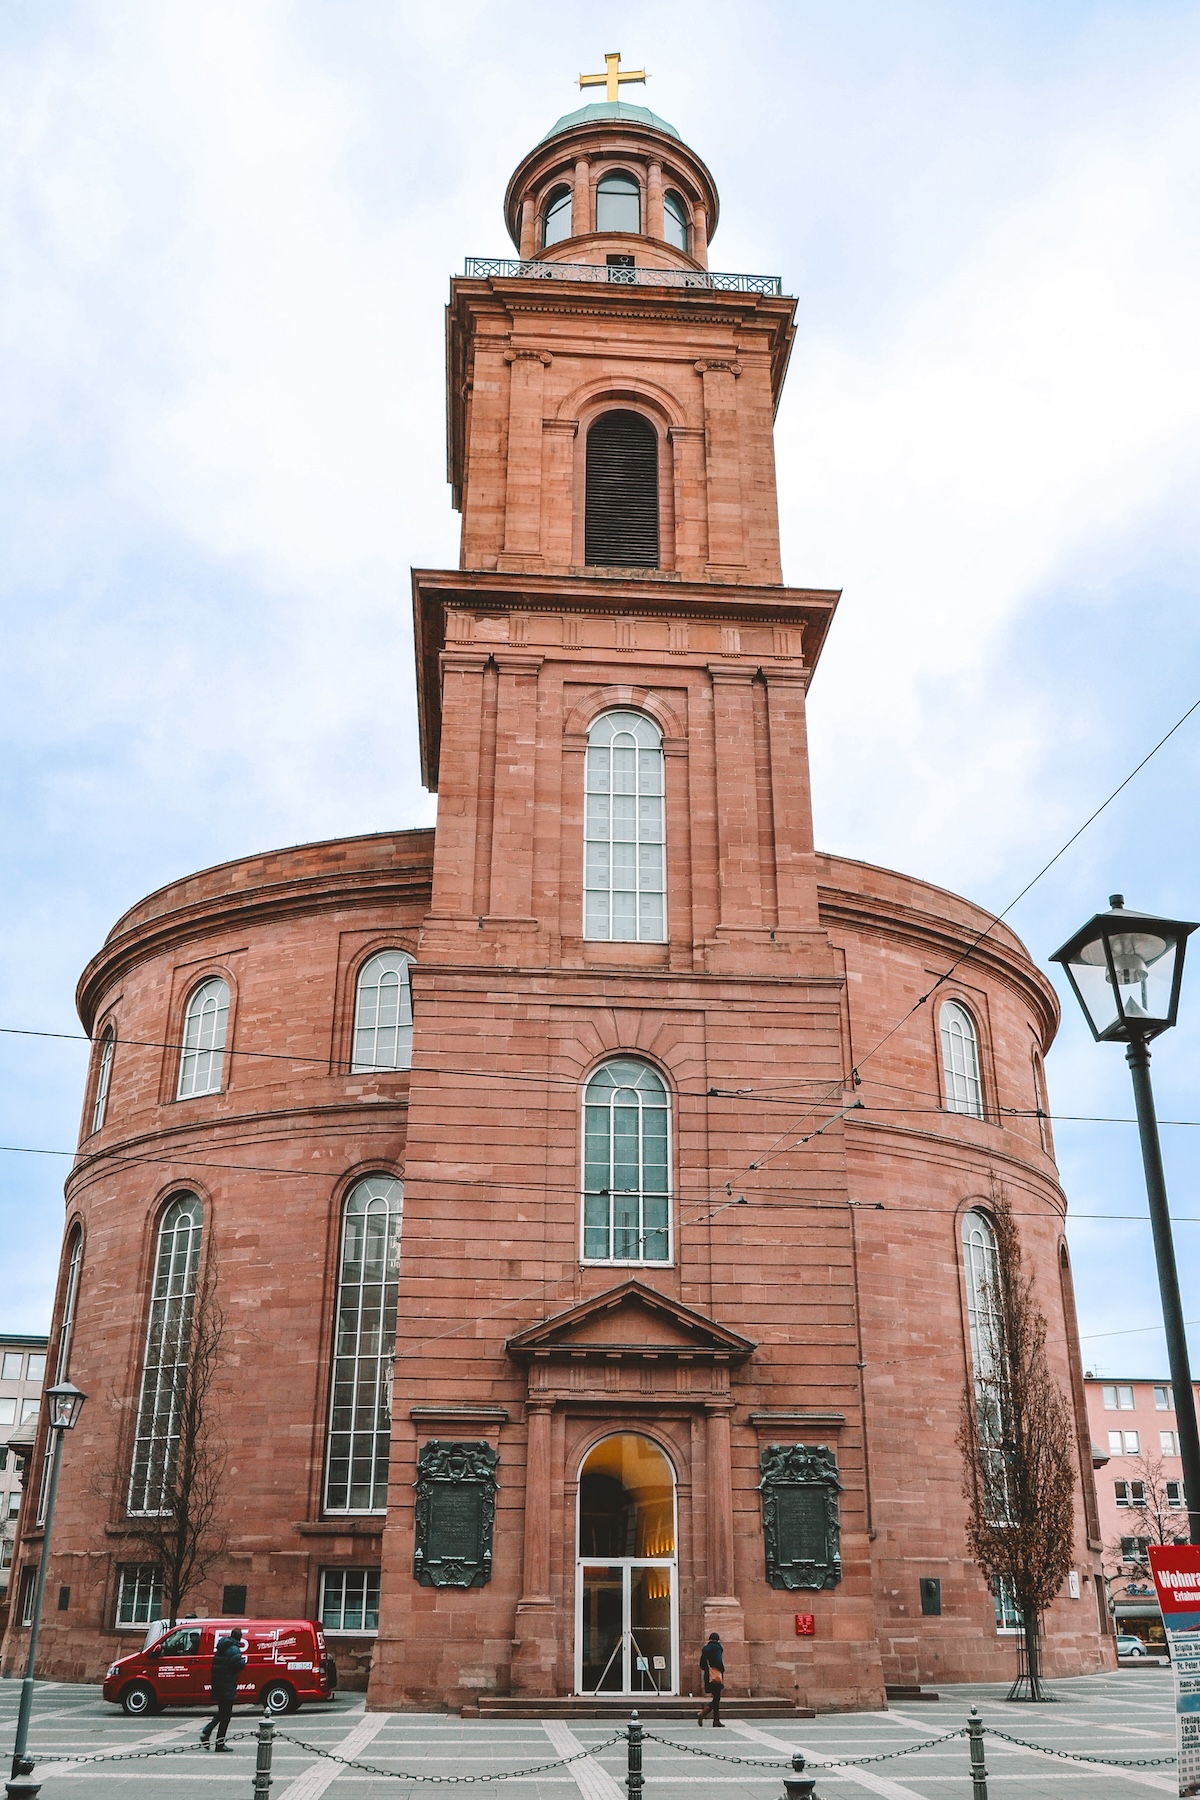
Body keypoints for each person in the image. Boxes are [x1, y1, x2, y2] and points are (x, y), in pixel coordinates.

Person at [200, 1627, 246, 1751]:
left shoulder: (222, 1647)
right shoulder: (233, 1648)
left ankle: (209, 1734)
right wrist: (243, 1661)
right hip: (227, 1685)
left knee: (222, 1713)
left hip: (219, 1684)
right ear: (239, 1637)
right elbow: (239, 1664)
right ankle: (216, 1741)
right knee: (226, 1715)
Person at [698, 1632, 725, 1727]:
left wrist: (707, 1669)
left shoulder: (705, 1649)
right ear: (717, 1639)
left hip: (708, 1675)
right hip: (715, 1675)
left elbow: (701, 1663)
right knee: (717, 1698)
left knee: (715, 1697)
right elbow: (718, 1661)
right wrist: (722, 1669)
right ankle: (703, 1713)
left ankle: (716, 1720)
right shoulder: (717, 1647)